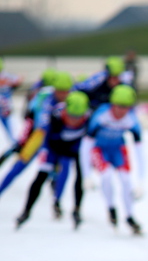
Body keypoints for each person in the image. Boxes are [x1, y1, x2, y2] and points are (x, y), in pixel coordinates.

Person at [15, 92, 90, 229]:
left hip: (74, 147)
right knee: (41, 176)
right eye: (71, 116)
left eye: (78, 117)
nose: (74, 120)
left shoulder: (89, 117)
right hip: (53, 147)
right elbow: (46, 140)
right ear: (66, 110)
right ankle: (26, 211)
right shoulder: (55, 115)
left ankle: (77, 210)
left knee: (81, 175)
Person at [80, 84, 145, 235]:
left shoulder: (132, 119)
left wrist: (141, 182)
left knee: (126, 179)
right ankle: (111, 208)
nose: (122, 111)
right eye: (119, 107)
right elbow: (86, 145)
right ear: (112, 104)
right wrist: (86, 175)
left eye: (126, 107)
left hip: (117, 150)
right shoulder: (100, 115)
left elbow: (140, 151)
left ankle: (130, 216)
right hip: (100, 149)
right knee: (107, 176)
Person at [0, 71, 73, 199]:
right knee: (19, 166)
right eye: (60, 91)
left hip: (55, 138)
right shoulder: (44, 97)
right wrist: (23, 140)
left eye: (66, 91)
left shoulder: (72, 98)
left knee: (61, 166)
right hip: (38, 135)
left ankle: (57, 201)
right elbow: (31, 118)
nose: (63, 95)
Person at [0, 57, 23, 148]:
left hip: (5, 105)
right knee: (8, 123)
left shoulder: (6, 76)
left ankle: (12, 142)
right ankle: (12, 141)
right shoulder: (7, 76)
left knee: (7, 123)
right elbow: (19, 79)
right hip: (6, 105)